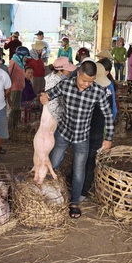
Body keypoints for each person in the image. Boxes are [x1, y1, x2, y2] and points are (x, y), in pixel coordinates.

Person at [39, 61, 114, 218]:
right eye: (84, 80)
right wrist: (44, 97)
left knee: (79, 171)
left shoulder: (98, 92)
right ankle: (44, 193)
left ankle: (74, 203)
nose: (87, 84)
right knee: (53, 163)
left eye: (91, 81)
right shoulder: (66, 85)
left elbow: (108, 115)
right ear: (78, 73)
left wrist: (108, 138)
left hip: (82, 137)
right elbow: (49, 93)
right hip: (64, 133)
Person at [82, 61, 117, 198]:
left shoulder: (91, 89)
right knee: (89, 159)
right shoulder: (107, 88)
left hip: (89, 129)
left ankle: (82, 190)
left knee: (86, 159)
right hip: (97, 128)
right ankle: (82, 188)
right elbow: (111, 113)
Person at [44, 57, 76, 121]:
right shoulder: (53, 83)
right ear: (60, 71)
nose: (70, 72)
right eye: (68, 70)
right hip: (55, 120)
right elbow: (53, 107)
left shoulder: (60, 79)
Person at [8, 46, 30, 128]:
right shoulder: (14, 62)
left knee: (17, 108)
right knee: (14, 108)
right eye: (25, 57)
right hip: (14, 88)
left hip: (19, 88)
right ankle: (11, 126)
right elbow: (9, 75)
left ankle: (15, 125)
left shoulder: (20, 63)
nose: (26, 59)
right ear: (21, 56)